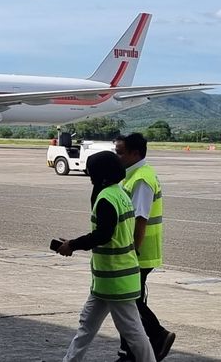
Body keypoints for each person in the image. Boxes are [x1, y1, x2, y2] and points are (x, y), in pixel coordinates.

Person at [57, 151, 155, 362]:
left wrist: (72, 245)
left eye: (91, 172)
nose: (89, 176)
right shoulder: (119, 193)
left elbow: (103, 235)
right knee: (86, 325)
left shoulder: (106, 198)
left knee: (133, 332)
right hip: (106, 280)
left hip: (116, 279)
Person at [114, 134, 175, 361]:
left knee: (128, 302)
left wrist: (133, 250)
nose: (117, 156)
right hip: (138, 251)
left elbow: (141, 219)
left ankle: (158, 335)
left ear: (135, 153)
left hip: (139, 252)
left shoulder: (141, 179)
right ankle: (131, 350)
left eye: (120, 152)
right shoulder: (135, 175)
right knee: (130, 301)